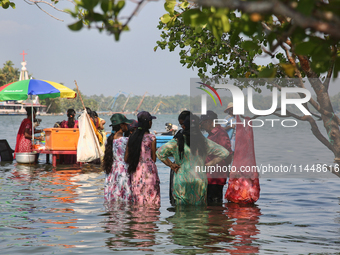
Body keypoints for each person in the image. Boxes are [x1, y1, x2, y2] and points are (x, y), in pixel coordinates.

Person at [156, 114, 230, 205]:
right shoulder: (204, 141)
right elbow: (225, 153)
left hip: (182, 180)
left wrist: (171, 165)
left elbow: (160, 153)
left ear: (184, 126)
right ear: (198, 127)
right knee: (199, 213)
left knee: (181, 213)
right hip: (199, 179)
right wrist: (208, 165)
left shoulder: (177, 141)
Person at [124, 111, 160, 206]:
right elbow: (154, 158)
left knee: (138, 199)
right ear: (148, 123)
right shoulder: (152, 138)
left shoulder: (131, 137)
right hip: (149, 172)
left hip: (136, 171)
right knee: (152, 200)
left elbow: (126, 158)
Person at [200, 110, 233, 204]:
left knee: (215, 203)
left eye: (202, 124)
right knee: (209, 204)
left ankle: (217, 218)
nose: (202, 127)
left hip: (216, 177)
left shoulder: (221, 134)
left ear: (209, 121)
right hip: (209, 176)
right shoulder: (211, 135)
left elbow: (227, 154)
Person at [103, 113, 133, 202]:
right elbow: (128, 158)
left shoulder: (108, 140)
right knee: (124, 199)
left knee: (113, 198)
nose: (127, 125)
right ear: (121, 125)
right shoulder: (125, 140)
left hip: (111, 171)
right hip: (123, 171)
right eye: (126, 124)